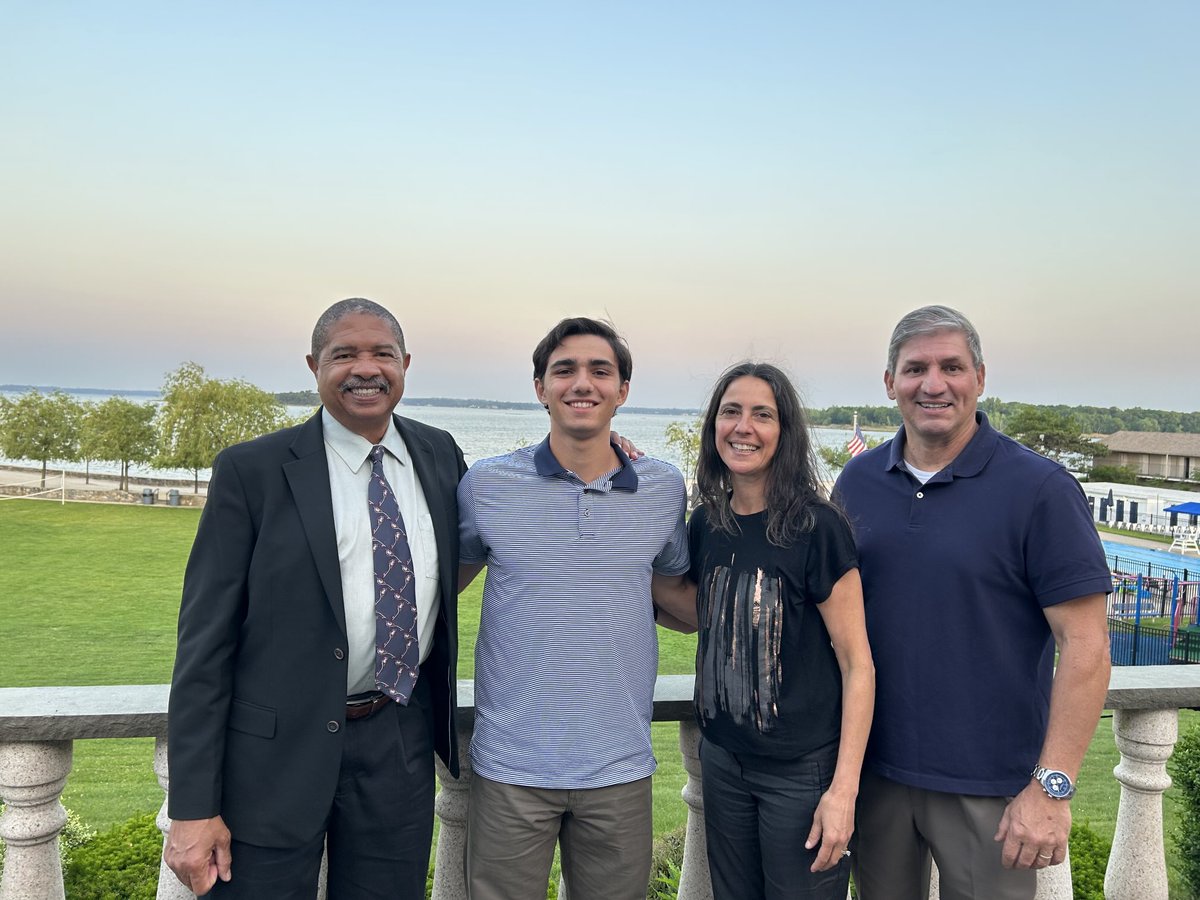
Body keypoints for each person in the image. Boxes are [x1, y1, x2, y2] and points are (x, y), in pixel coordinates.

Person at [164, 298, 466, 899]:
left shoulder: (440, 455)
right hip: (273, 758)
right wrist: (192, 807)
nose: (366, 368)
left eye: (382, 354)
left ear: (405, 364)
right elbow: (204, 643)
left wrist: (604, 446)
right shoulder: (252, 470)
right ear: (313, 366)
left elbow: (512, 498)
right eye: (344, 354)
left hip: (397, 743)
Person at [833, 305, 1112, 900]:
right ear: (889, 382)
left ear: (980, 378)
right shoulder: (857, 482)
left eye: (951, 367)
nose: (933, 384)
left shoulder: (1040, 490)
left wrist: (1052, 787)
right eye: (915, 369)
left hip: (993, 789)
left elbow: (1086, 645)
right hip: (873, 774)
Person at [457, 317, 692, 900]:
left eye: (600, 371)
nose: (582, 383)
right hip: (510, 767)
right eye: (564, 370)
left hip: (620, 766)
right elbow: (438, 590)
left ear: (622, 390)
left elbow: (674, 597)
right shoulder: (486, 485)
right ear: (541, 387)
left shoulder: (663, 488)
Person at [654, 361, 875, 900]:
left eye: (762, 414)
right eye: (731, 412)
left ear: (785, 431)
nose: (743, 427)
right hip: (722, 760)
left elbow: (857, 664)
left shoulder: (817, 526)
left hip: (801, 772)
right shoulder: (707, 522)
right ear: (714, 426)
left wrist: (843, 791)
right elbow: (704, 613)